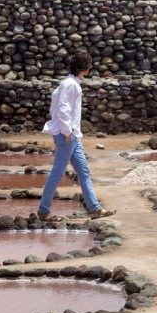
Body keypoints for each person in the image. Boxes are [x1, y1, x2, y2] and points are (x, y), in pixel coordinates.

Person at [37, 51, 112, 221]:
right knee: (57, 172)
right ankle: (43, 210)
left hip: (72, 136)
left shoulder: (68, 83)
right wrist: (67, 131)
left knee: (84, 171)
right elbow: (62, 108)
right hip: (67, 136)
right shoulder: (71, 85)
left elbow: (54, 107)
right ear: (85, 68)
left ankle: (94, 208)